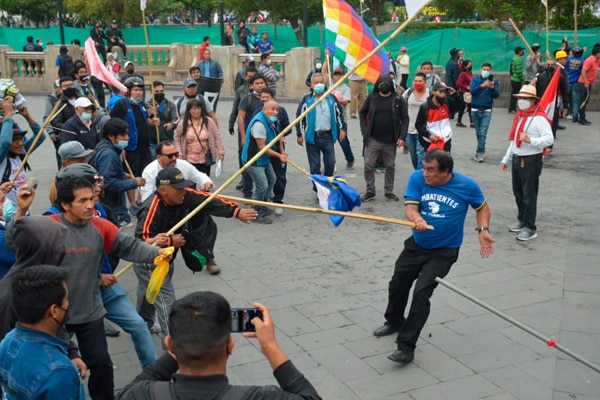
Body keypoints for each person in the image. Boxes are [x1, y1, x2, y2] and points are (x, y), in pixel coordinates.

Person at [8, 164, 172, 400]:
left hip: (90, 311)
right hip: (55, 316)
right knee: (56, 370)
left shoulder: (100, 227)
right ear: (66, 204)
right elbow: (14, 241)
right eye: (82, 201)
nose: (90, 206)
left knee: (102, 365)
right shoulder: (49, 226)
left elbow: (130, 246)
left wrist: (157, 253)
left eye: (91, 199)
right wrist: (21, 211)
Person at [373, 149, 494, 364]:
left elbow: (482, 208)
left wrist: (483, 230)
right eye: (424, 168)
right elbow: (411, 208)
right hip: (416, 245)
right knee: (398, 283)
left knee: (421, 293)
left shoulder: (467, 185)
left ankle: (406, 347)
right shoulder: (417, 178)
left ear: (446, 172)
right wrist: (416, 218)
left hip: (444, 251)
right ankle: (394, 321)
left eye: (431, 170)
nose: (425, 173)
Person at [116, 291, 321, 399]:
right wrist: (269, 345)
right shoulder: (261, 396)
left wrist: (183, 343)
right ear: (229, 346)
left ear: (170, 346)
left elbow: (136, 384)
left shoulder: (140, 394)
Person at [134, 168, 256, 340]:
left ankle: (141, 325)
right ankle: (172, 347)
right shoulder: (151, 209)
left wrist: (236, 212)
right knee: (166, 303)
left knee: (147, 292)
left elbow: (208, 200)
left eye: (184, 187)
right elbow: (139, 243)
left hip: (166, 258)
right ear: (163, 190)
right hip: (150, 263)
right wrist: (169, 241)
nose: (183, 191)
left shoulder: (184, 195)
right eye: (179, 188)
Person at [0, 265, 86, 399]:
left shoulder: (8, 341)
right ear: (54, 310)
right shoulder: (58, 372)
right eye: (66, 299)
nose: (68, 303)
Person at [500, 85, 554, 241]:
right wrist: (506, 159)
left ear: (532, 100)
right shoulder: (520, 115)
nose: (521, 101)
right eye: (520, 98)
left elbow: (549, 139)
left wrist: (531, 140)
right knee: (518, 192)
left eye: (524, 98)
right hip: (517, 158)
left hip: (531, 160)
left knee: (529, 194)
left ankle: (530, 227)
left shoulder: (539, 118)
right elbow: (514, 140)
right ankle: (522, 218)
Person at [359, 74, 408, 202]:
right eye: (381, 82)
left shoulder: (398, 99)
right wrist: (364, 130)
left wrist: (402, 137)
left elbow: (405, 119)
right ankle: (370, 191)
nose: (384, 85)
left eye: (387, 82)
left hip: (391, 140)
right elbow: (362, 112)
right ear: (377, 85)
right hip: (372, 138)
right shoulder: (372, 98)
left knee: (390, 166)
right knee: (368, 165)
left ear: (391, 84)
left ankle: (389, 191)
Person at [91, 117, 146, 228]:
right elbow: (107, 183)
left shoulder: (108, 148)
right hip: (111, 205)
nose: (127, 138)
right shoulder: (108, 155)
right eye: (122, 135)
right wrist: (134, 183)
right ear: (111, 136)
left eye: (127, 134)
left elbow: (103, 173)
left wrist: (122, 175)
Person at [241, 100, 288, 224]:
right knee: (262, 186)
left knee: (272, 179)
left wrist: (282, 151)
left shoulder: (272, 120)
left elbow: (279, 137)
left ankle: (262, 204)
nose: (275, 112)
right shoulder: (259, 124)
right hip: (254, 160)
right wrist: (279, 156)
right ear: (264, 109)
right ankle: (256, 213)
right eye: (272, 109)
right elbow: (263, 147)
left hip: (264, 159)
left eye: (277, 109)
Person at [296, 73, 346, 181]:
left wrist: (342, 129)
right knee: (315, 166)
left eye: (321, 82)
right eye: (316, 82)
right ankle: (318, 187)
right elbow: (299, 117)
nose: (319, 84)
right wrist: (299, 134)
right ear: (311, 85)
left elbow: (339, 115)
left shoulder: (331, 98)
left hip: (328, 137)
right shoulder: (307, 99)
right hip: (312, 137)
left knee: (330, 164)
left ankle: (327, 185)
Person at [110, 76, 157, 181]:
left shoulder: (142, 105)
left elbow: (145, 121)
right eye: (135, 90)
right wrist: (120, 147)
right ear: (128, 91)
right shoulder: (120, 106)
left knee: (147, 175)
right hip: (130, 149)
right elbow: (113, 127)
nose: (139, 93)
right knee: (132, 177)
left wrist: (152, 121)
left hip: (145, 148)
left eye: (140, 90)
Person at [0, 100, 45, 207]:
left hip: (22, 209)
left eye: (21, 139)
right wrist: (8, 115)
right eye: (15, 140)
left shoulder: (21, 153)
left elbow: (40, 137)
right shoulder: (2, 157)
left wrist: (27, 115)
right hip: (5, 212)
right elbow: (6, 142)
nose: (20, 143)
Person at [141, 141, 213, 201]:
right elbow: (147, 197)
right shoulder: (149, 172)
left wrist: (206, 181)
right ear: (159, 157)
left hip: (183, 201)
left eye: (176, 154)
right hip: (161, 204)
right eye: (170, 156)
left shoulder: (183, 164)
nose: (174, 158)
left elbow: (199, 175)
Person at [174, 98, 224, 177]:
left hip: (204, 159)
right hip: (188, 159)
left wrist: (220, 152)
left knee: (204, 180)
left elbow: (217, 137)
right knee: (190, 182)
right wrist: (179, 154)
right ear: (189, 110)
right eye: (194, 109)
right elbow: (177, 139)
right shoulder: (183, 123)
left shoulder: (208, 121)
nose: (196, 111)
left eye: (198, 108)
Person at [469, 62, 500, 162]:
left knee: (482, 132)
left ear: (491, 71)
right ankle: (482, 149)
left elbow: (497, 95)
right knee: (478, 132)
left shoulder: (494, 81)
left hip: (487, 110)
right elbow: (472, 91)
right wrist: (482, 86)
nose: (486, 71)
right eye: (484, 69)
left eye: (488, 70)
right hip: (475, 109)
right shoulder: (475, 80)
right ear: (481, 70)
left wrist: (492, 88)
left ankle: (479, 153)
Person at [415, 83, 458, 154]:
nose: (443, 94)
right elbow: (418, 125)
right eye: (440, 92)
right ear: (434, 92)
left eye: (445, 92)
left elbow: (460, 106)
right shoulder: (425, 107)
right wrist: (428, 136)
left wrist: (455, 94)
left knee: (445, 160)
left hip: (445, 141)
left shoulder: (446, 103)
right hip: (431, 142)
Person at [402, 73, 429, 170]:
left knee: (421, 153)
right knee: (414, 155)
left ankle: (420, 175)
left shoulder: (430, 94)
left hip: (423, 130)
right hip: (409, 129)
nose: (417, 83)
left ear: (425, 82)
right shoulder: (408, 92)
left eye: (420, 81)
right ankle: (418, 171)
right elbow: (400, 105)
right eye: (416, 81)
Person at [331, 68, 355, 170]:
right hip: (329, 118)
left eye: (340, 74)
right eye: (336, 74)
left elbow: (346, 101)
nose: (338, 77)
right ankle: (329, 162)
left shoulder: (346, 89)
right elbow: (323, 72)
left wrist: (334, 98)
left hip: (341, 119)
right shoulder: (330, 86)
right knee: (328, 143)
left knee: (343, 141)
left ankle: (350, 159)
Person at [148, 81, 178, 155]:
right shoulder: (147, 105)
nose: (159, 93)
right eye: (157, 91)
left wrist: (171, 124)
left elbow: (176, 119)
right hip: (153, 143)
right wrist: (150, 115)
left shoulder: (170, 104)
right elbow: (145, 121)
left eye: (161, 91)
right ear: (151, 92)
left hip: (168, 141)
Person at [575, 45, 600, 126]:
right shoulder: (590, 60)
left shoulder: (597, 60)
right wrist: (585, 81)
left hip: (589, 82)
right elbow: (583, 71)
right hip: (583, 83)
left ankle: (582, 117)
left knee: (586, 100)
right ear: (597, 53)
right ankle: (581, 118)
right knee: (583, 100)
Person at [566, 46, 585, 122]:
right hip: (576, 82)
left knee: (566, 99)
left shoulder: (569, 59)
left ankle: (564, 113)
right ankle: (575, 116)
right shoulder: (582, 60)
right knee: (575, 100)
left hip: (567, 81)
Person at [456, 59, 473, 128]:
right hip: (463, 92)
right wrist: (466, 87)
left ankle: (472, 122)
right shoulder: (463, 73)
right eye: (468, 65)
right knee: (462, 107)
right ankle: (459, 121)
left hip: (468, 93)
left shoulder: (469, 73)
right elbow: (458, 83)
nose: (470, 66)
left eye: (470, 65)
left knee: (470, 107)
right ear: (465, 66)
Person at [509, 46, 525, 113]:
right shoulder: (518, 59)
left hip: (513, 78)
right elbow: (519, 71)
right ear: (519, 52)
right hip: (517, 80)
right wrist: (522, 79)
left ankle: (511, 107)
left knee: (513, 94)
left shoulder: (514, 58)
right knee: (515, 95)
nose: (523, 52)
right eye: (522, 51)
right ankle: (512, 108)